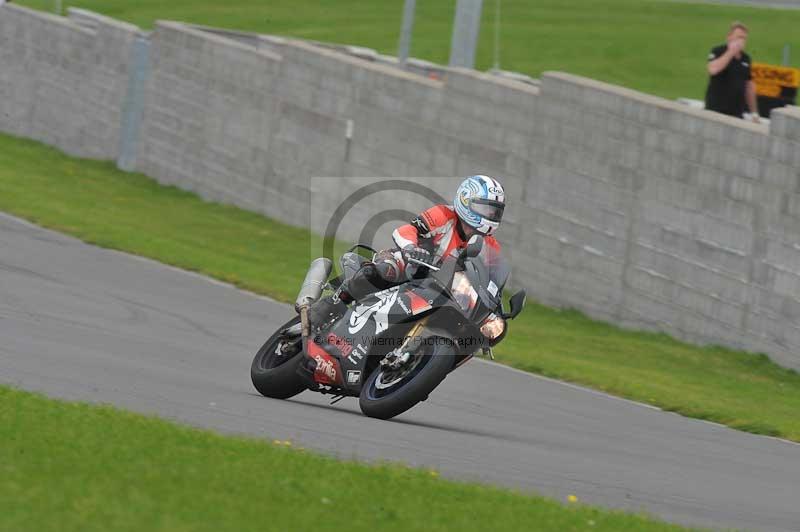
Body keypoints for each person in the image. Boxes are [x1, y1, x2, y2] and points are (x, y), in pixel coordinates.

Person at [308, 175, 506, 324]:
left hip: (443, 291)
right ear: (465, 199)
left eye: (495, 211)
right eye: (486, 209)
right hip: (410, 264)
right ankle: (334, 303)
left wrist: (495, 306)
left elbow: (491, 280)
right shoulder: (443, 215)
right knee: (386, 269)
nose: (490, 215)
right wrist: (411, 248)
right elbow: (407, 229)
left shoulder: (491, 245)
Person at [705, 21, 760, 123]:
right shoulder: (718, 51)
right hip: (716, 111)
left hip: (736, 113)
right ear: (729, 37)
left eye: (744, 38)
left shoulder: (746, 59)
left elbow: (749, 86)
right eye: (739, 37)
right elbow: (713, 70)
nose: (741, 41)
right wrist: (731, 52)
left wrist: (754, 113)